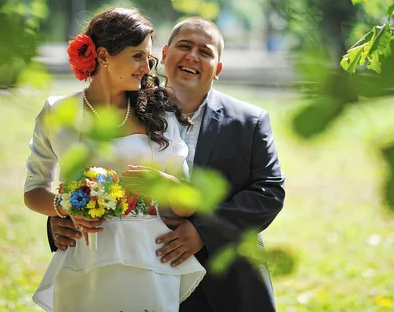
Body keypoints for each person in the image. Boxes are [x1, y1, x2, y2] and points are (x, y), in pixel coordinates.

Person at [49, 17, 286, 311]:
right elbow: (93, 174)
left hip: (226, 284)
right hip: (137, 278)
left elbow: (269, 193)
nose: (192, 57)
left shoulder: (249, 121)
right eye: (184, 46)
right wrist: (62, 218)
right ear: (162, 54)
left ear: (219, 69)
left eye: (206, 52)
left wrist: (204, 232)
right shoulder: (119, 110)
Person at [24, 8, 205, 312]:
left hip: (149, 259)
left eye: (149, 58)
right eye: (137, 56)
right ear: (104, 56)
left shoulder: (159, 116)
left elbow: (188, 203)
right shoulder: (58, 113)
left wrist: (163, 184)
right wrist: (65, 206)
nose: (146, 67)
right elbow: (33, 191)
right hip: (85, 258)